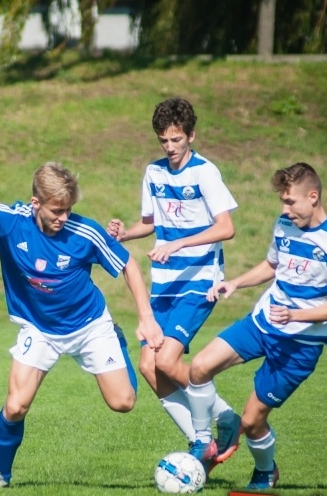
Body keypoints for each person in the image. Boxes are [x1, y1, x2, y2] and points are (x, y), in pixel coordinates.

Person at [0, 122, 164, 490]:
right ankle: (1, 475)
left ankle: (118, 341)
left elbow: (128, 264)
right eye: (57, 210)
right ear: (36, 204)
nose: (64, 217)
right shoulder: (9, 222)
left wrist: (146, 318)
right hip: (39, 328)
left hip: (89, 325)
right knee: (15, 406)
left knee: (123, 402)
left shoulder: (84, 231)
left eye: (68, 209)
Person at [185, 162, 327, 489]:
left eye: (290, 201)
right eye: (282, 201)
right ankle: (203, 443)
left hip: (300, 346)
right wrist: (235, 283)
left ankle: (266, 471)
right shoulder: (284, 225)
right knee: (199, 367)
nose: (285, 209)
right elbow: (272, 265)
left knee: (253, 422)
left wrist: (294, 316)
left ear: (313, 196)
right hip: (262, 324)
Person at [107, 98, 241, 469]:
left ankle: (225, 416)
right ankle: (201, 442)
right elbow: (150, 223)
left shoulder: (205, 173)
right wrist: (124, 234)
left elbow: (226, 228)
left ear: (191, 136)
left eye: (176, 139)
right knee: (149, 366)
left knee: (167, 360)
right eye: (163, 140)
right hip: (164, 284)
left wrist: (179, 243)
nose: (169, 147)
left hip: (199, 280)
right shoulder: (154, 172)